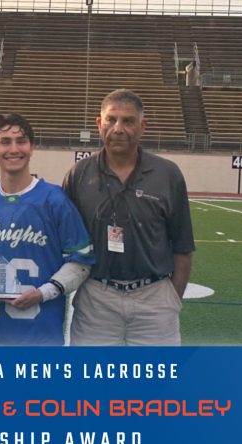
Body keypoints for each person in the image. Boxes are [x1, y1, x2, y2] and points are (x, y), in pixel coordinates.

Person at [62, 89, 195, 346]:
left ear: (143, 126)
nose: (118, 129)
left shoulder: (168, 174)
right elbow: (63, 242)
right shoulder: (79, 175)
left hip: (154, 298)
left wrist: (171, 299)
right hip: (96, 298)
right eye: (111, 120)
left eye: (128, 121)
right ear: (99, 124)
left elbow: (183, 246)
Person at [0, 114, 93, 345]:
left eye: (21, 141)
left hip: (41, 336)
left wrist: (42, 293)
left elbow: (81, 263)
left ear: (31, 148)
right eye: (5, 142)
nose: (14, 149)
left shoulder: (55, 200)